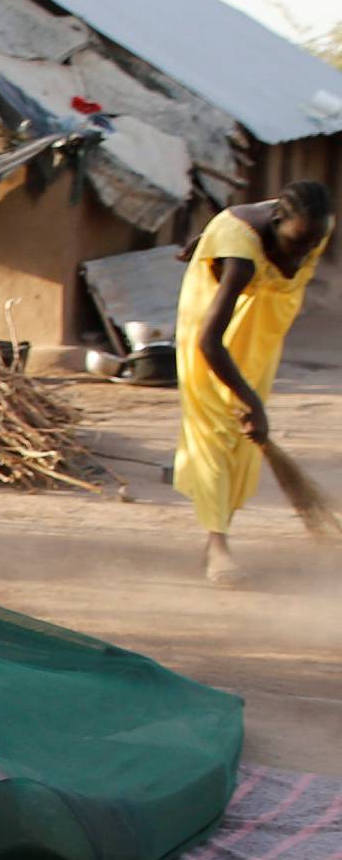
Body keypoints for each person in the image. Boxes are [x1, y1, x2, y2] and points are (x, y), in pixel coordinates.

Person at [174, 181, 333, 584]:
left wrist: (206, 235)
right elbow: (209, 341)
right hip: (209, 334)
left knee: (242, 438)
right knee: (216, 431)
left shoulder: (310, 224)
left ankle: (218, 531)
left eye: (310, 246)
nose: (300, 256)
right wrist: (251, 402)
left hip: (261, 329)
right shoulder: (242, 258)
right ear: (278, 223)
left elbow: (264, 207)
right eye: (295, 244)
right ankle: (217, 545)